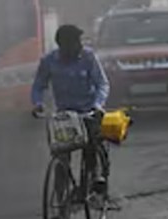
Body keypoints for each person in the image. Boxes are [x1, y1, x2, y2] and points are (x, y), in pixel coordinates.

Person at [31, 24, 111, 191]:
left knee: (91, 146)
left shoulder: (89, 57)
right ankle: (61, 203)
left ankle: (93, 180)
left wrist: (98, 105)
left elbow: (102, 84)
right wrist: (38, 103)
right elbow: (38, 86)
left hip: (88, 111)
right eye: (75, 42)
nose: (80, 46)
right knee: (61, 157)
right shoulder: (48, 61)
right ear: (63, 45)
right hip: (64, 115)